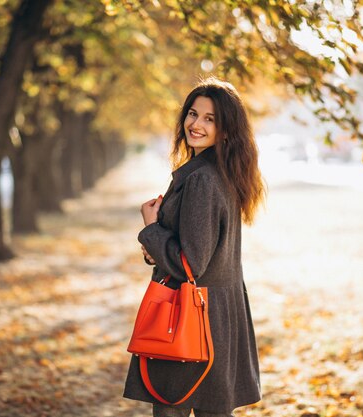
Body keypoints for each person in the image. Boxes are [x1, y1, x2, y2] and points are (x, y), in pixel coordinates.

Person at [123, 76, 267, 417]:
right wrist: (156, 245)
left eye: (209, 118)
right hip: (219, 312)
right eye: (192, 113)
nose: (196, 124)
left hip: (189, 315)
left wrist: (151, 229)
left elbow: (191, 262)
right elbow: (202, 249)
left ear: (227, 130)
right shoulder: (223, 172)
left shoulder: (202, 178)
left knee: (172, 408)